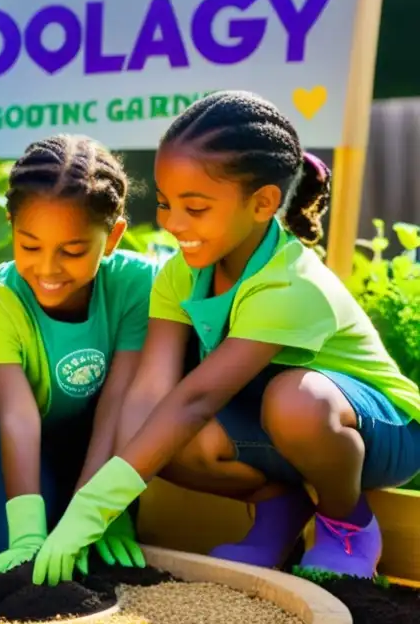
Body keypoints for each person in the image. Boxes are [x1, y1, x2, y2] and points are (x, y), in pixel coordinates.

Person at [26, 90, 420, 586]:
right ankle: (280, 508)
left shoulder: (290, 283)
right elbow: (150, 392)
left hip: (379, 432)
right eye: (167, 204)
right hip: (281, 428)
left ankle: (347, 525)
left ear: (263, 204)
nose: (172, 224)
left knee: (293, 402)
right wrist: (106, 503)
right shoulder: (179, 275)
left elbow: (196, 398)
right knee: (159, 432)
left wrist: (96, 505)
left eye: (195, 208)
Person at [0, 134, 158, 576]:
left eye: (72, 251)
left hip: (105, 450)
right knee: (5, 544)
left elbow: (118, 403)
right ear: (11, 224)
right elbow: (17, 417)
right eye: (30, 246)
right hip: (19, 450)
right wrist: (28, 532)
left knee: (95, 558)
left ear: (114, 236)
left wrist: (100, 507)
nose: (48, 269)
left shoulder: (136, 285)